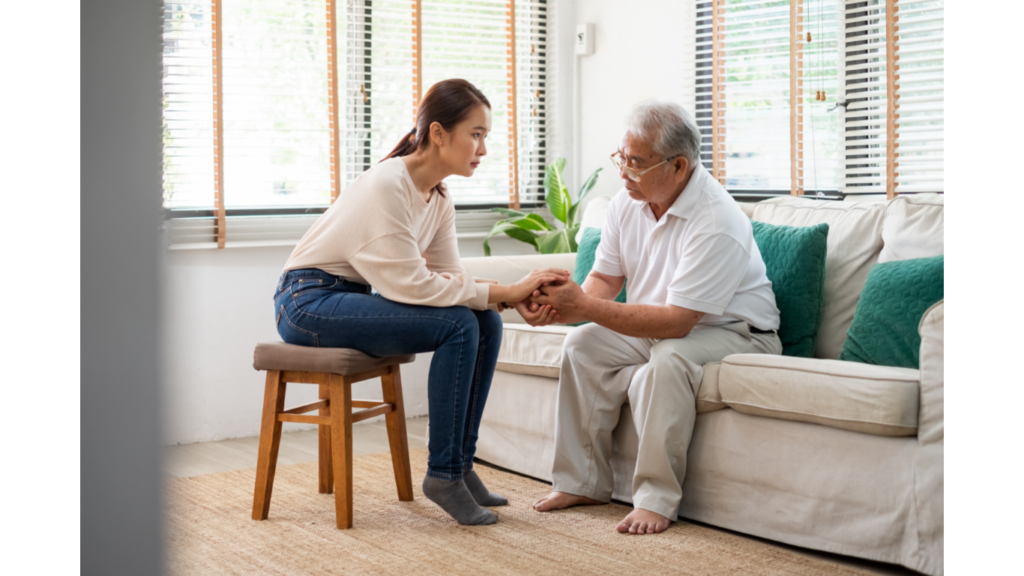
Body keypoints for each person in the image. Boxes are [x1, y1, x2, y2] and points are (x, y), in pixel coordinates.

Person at [274, 79, 568, 526]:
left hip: (352, 298)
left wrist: (508, 300)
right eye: (476, 134)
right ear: (437, 133)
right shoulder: (388, 184)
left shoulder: (439, 198)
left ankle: (460, 465)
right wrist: (504, 292)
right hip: (307, 301)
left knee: (483, 322)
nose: (483, 149)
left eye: (485, 137)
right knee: (458, 324)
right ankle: (443, 475)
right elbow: (411, 286)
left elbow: (449, 280)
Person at [524, 100, 782, 535]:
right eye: (621, 157)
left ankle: (657, 499)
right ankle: (581, 482)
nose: (623, 171)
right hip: (657, 324)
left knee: (667, 362)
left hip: (737, 332)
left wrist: (584, 307)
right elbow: (604, 279)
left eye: (636, 163)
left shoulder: (717, 219)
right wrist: (563, 307)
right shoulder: (630, 199)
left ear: (678, 166)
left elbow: (679, 323)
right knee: (582, 344)